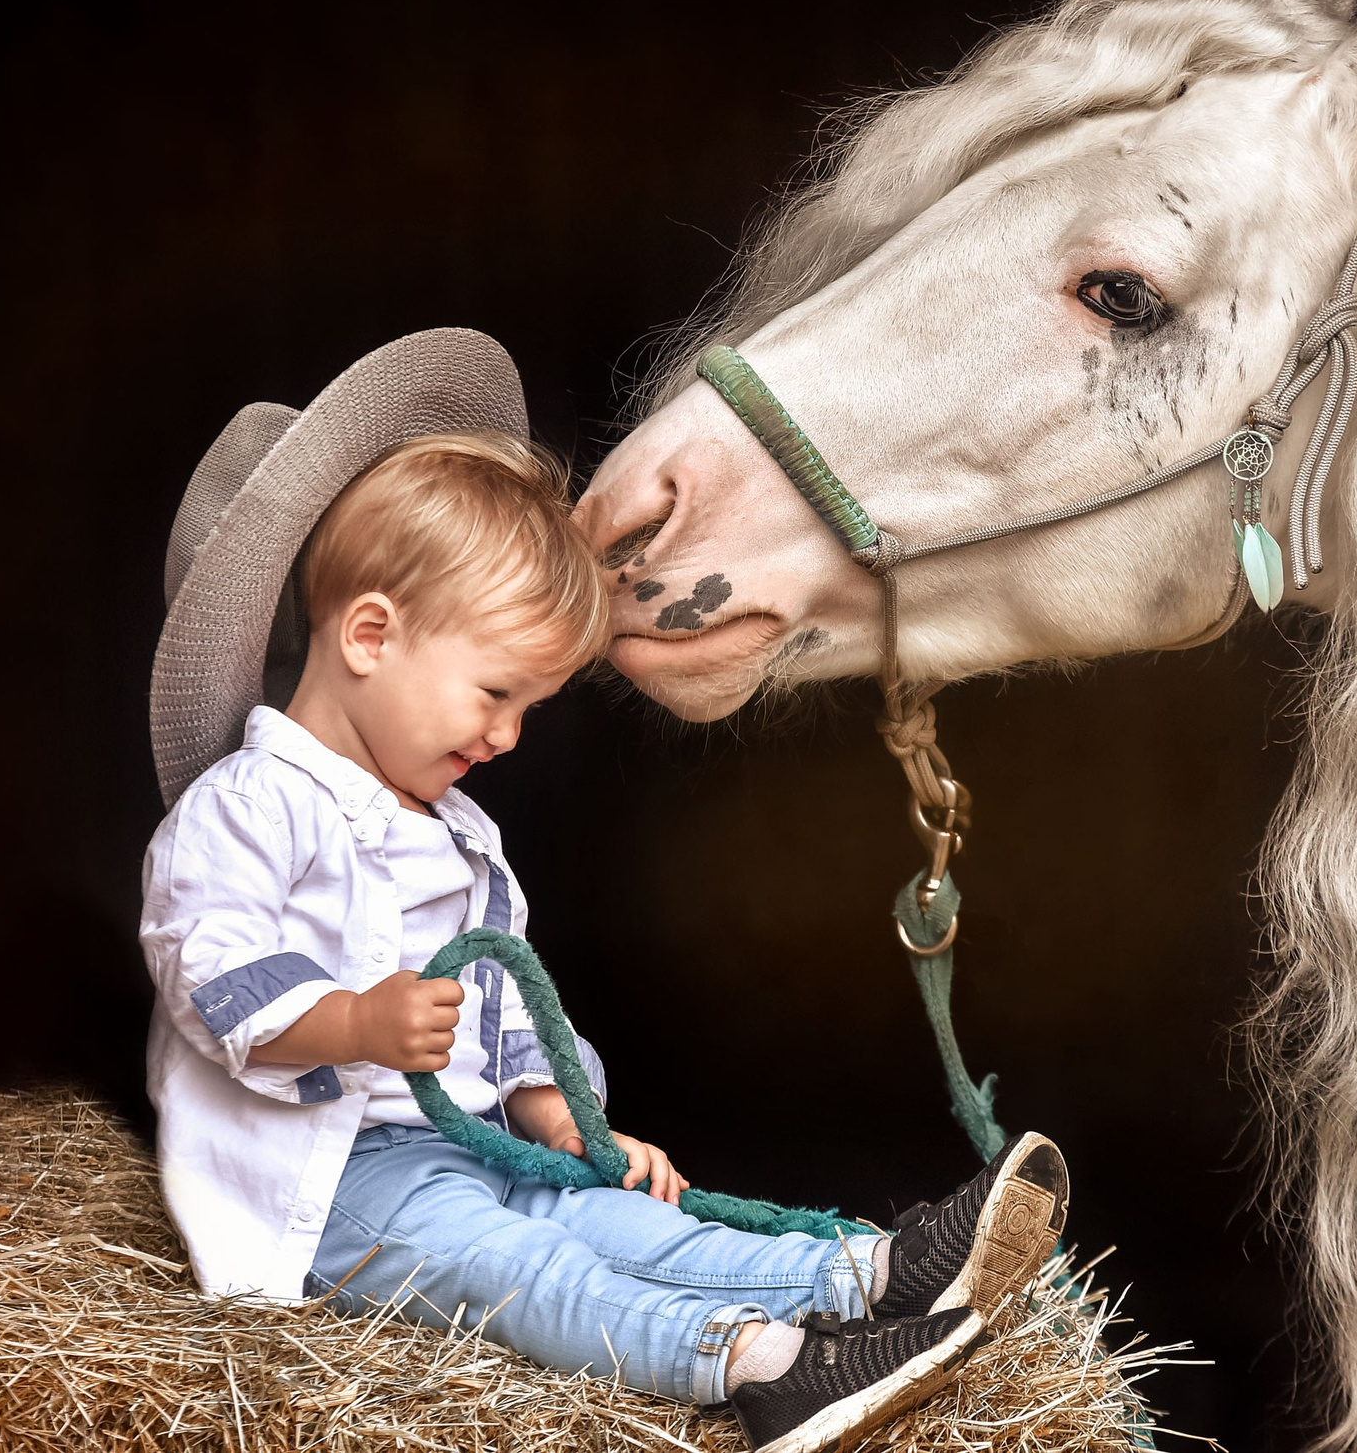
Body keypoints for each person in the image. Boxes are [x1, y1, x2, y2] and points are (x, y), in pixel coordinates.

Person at [139, 330, 1070, 1452]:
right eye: (495, 693)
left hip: (467, 1147)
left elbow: (509, 1016)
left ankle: (865, 1275)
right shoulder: (249, 805)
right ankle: (757, 1367)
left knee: (616, 1220)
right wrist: (357, 1021)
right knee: (520, 1268)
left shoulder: (458, 836)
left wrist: (556, 1110)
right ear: (371, 635)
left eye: (528, 706)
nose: (508, 735)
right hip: (333, 1185)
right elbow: (211, 970)